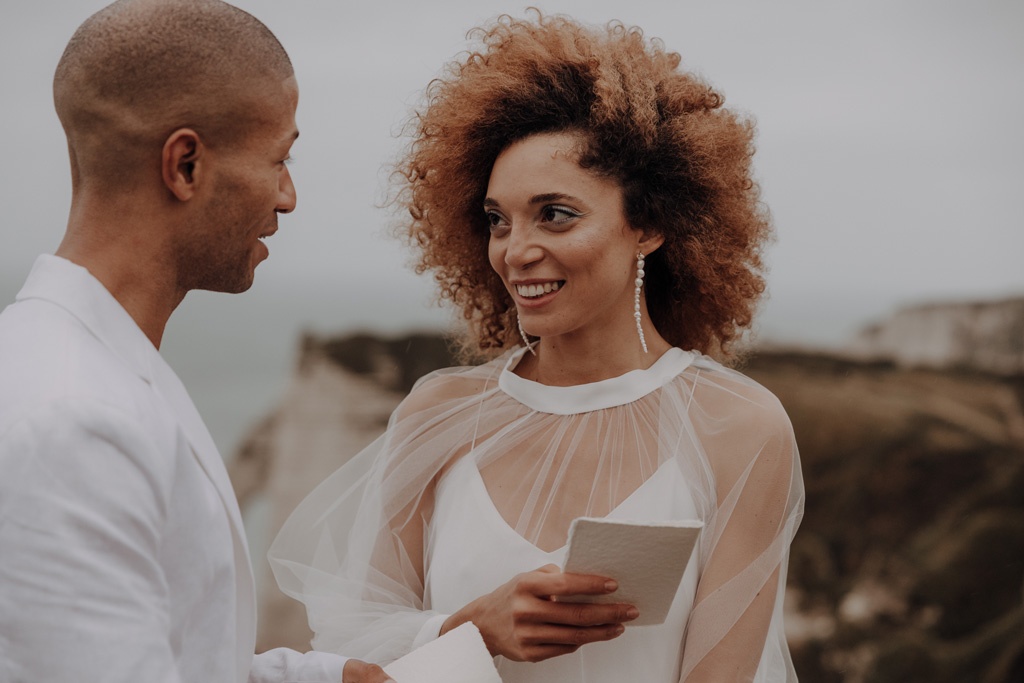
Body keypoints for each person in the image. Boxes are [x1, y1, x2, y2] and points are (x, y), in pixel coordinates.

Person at [270, 11, 804, 682]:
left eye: (555, 213)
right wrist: (470, 628)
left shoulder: (740, 428)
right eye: (497, 220)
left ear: (650, 225)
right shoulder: (437, 413)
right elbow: (360, 649)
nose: (516, 251)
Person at [0, 1, 391, 682]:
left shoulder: (93, 361)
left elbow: (180, 653)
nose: (289, 195)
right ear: (184, 165)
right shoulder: (71, 423)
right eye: (279, 158)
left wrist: (330, 676)